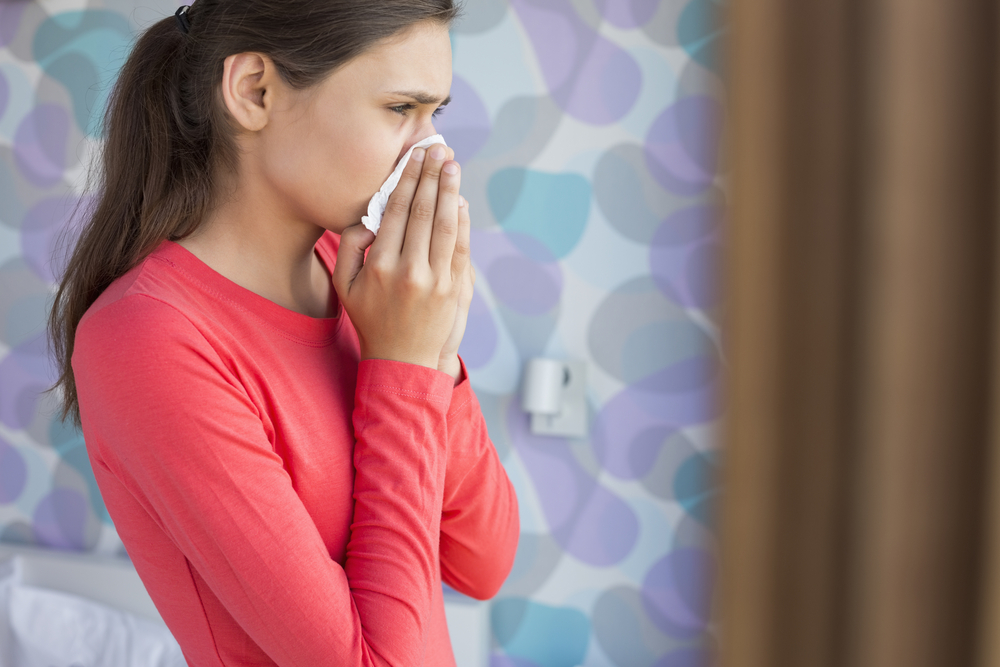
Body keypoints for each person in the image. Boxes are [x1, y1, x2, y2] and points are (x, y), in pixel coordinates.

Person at [46, 1, 520, 665]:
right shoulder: (148, 340)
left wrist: (434, 349)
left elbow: (483, 562)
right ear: (254, 92)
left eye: (434, 113)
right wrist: (403, 365)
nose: (435, 154)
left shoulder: (363, 281)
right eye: (399, 109)